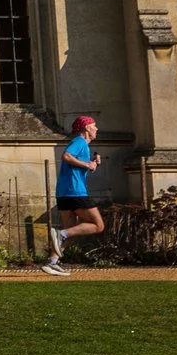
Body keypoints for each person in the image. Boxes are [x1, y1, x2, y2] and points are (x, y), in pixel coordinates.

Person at [46, 115, 103, 276]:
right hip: (75, 192)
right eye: (94, 126)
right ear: (86, 128)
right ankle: (60, 234)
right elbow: (66, 156)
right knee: (98, 225)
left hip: (64, 192)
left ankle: (52, 262)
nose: (96, 129)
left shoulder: (83, 146)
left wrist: (93, 163)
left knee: (72, 230)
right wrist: (87, 164)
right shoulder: (79, 142)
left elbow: (76, 165)